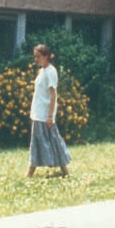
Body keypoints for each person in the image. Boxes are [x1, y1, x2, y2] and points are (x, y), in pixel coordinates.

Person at [27, 44, 70, 177]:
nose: (36, 59)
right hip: (38, 113)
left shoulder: (51, 71)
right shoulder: (42, 71)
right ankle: (64, 172)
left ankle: (30, 174)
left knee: (53, 141)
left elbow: (53, 95)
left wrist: (50, 116)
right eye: (35, 57)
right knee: (41, 142)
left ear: (46, 56)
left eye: (38, 57)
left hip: (45, 115)